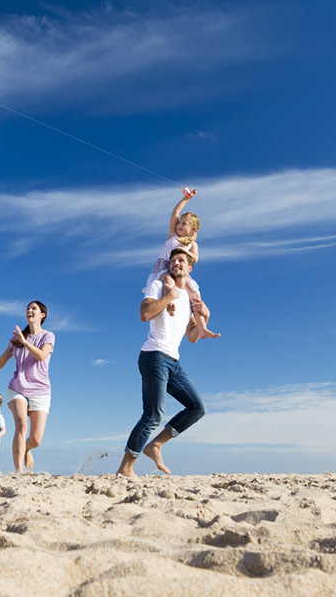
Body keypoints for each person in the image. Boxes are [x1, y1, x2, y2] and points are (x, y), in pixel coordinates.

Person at [118, 247, 209, 477]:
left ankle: (155, 445)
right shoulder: (159, 285)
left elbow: (191, 337)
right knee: (153, 414)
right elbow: (144, 313)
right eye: (173, 260)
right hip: (154, 355)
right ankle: (125, 468)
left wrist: (204, 318)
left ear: (190, 267)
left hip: (173, 362)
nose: (176, 263)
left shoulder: (190, 298)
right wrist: (169, 297)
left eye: (181, 260)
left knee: (198, 407)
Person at [0, 301, 55, 474]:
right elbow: (1, 362)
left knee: (36, 439)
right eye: (28, 309)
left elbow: (41, 356)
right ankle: (18, 472)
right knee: (21, 424)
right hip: (18, 388)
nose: (29, 311)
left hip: (41, 391)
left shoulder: (48, 336)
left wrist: (26, 342)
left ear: (42, 315)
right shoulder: (16, 340)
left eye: (34, 309)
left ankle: (26, 449)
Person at [144, 189, 219, 340]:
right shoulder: (173, 235)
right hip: (165, 267)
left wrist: (183, 252)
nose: (179, 225)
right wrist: (186, 198)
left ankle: (202, 327)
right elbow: (175, 212)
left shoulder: (192, 244)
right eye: (179, 222)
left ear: (193, 229)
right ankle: (169, 305)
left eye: (184, 224)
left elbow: (195, 258)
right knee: (168, 281)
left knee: (195, 295)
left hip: (179, 270)